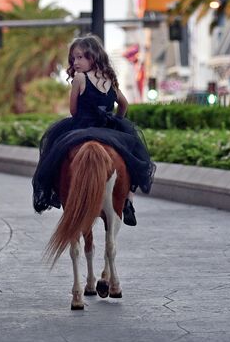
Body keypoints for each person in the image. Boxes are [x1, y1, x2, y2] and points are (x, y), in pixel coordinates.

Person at [31, 35, 155, 226]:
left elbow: (73, 111)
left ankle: (55, 191)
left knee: (53, 153)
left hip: (82, 127)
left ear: (93, 57)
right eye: (73, 58)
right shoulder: (109, 78)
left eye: (81, 57)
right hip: (108, 128)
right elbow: (124, 104)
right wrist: (116, 121)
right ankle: (128, 200)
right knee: (133, 156)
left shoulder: (79, 78)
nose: (76, 62)